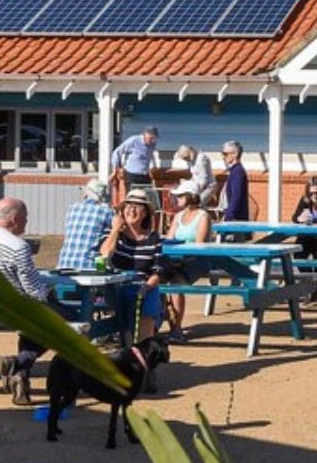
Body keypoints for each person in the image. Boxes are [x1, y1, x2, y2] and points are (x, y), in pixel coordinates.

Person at [0, 197, 60, 406]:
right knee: (62, 322)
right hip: (8, 312)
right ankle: (19, 365)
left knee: (36, 322)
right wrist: (49, 291)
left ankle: (20, 374)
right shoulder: (18, 247)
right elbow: (33, 291)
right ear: (14, 219)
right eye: (25, 217)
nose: (26, 222)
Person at [101, 188, 166, 343]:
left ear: (144, 213)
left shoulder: (153, 238)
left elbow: (158, 271)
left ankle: (143, 352)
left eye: (137, 206)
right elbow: (104, 254)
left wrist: (146, 287)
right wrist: (116, 230)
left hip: (144, 286)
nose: (131, 209)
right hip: (116, 286)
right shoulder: (115, 235)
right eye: (128, 205)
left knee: (151, 296)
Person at [163, 187, 212, 341]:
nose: (177, 198)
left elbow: (200, 244)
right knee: (155, 277)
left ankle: (176, 329)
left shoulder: (203, 216)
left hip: (198, 259)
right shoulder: (178, 216)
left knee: (175, 282)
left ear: (190, 196)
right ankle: (160, 322)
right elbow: (169, 239)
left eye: (180, 195)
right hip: (177, 259)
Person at [56, 178, 113, 270]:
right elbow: (117, 228)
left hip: (64, 262)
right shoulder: (106, 212)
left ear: (86, 194)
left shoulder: (72, 208)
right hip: (88, 265)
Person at [216, 140, 249, 222]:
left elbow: (236, 196)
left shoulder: (238, 172)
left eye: (225, 154)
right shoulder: (234, 171)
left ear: (235, 154)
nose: (223, 157)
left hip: (235, 220)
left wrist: (229, 216)